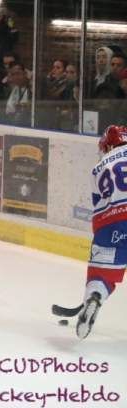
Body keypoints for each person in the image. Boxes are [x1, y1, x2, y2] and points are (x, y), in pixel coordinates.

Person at [79, 125, 127, 339]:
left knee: (101, 276)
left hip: (111, 224)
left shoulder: (98, 167)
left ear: (109, 144)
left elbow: (99, 203)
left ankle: (95, 297)